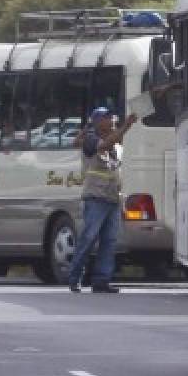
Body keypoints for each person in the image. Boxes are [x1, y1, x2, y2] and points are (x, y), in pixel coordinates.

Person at [68, 107, 137, 294]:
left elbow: (113, 146)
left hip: (112, 199)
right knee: (88, 238)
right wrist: (126, 126)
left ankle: (101, 280)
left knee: (109, 241)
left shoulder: (115, 145)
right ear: (98, 122)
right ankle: (75, 277)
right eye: (107, 118)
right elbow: (103, 145)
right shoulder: (91, 139)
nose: (112, 120)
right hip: (96, 198)